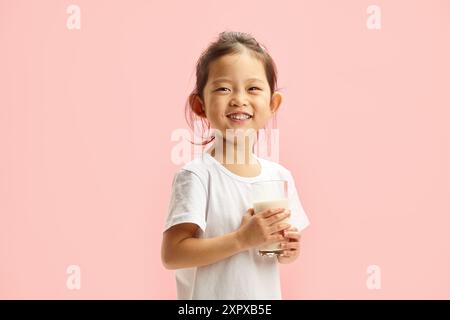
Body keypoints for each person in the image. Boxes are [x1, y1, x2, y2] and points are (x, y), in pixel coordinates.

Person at [161, 31, 310, 299]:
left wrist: (289, 250)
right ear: (200, 105)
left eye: (253, 88)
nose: (239, 99)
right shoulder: (197, 176)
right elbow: (173, 254)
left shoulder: (279, 177)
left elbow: (277, 253)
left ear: (272, 103)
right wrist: (242, 239)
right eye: (223, 88)